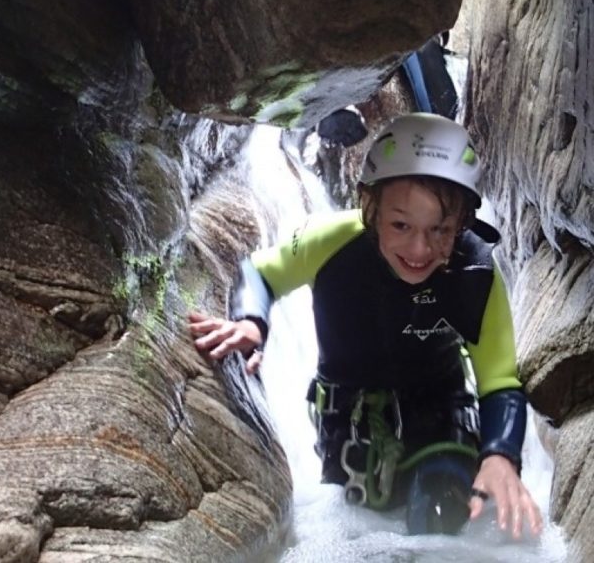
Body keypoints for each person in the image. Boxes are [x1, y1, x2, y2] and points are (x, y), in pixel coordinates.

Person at [188, 112, 543, 538]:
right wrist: (251, 322)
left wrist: (500, 455)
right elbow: (261, 273)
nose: (419, 248)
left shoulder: (475, 273)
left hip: (441, 423)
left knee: (436, 510)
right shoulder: (332, 240)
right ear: (369, 206)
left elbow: (500, 381)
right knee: (357, 529)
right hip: (349, 429)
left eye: (441, 230)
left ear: (464, 222)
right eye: (400, 225)